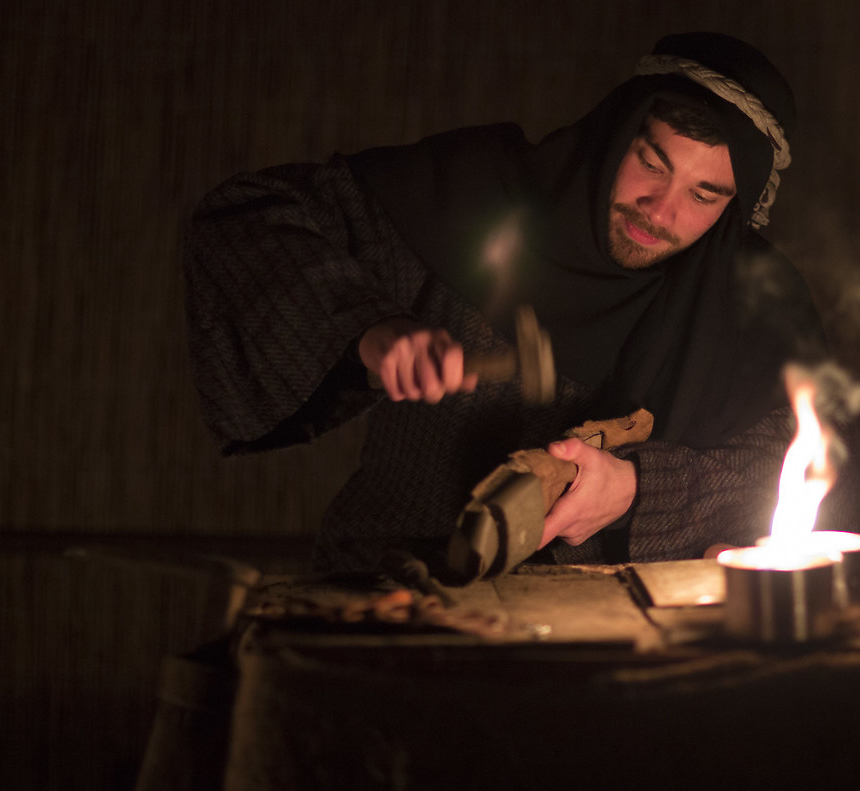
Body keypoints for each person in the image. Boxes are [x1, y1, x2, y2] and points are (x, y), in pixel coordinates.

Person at [183, 32, 826, 574]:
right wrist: (371, 326)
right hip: (394, 595)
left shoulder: (751, 306)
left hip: (611, 648)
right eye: (652, 163)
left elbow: (800, 470)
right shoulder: (477, 196)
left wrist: (634, 490)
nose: (661, 211)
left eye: (704, 195)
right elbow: (245, 222)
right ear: (615, 133)